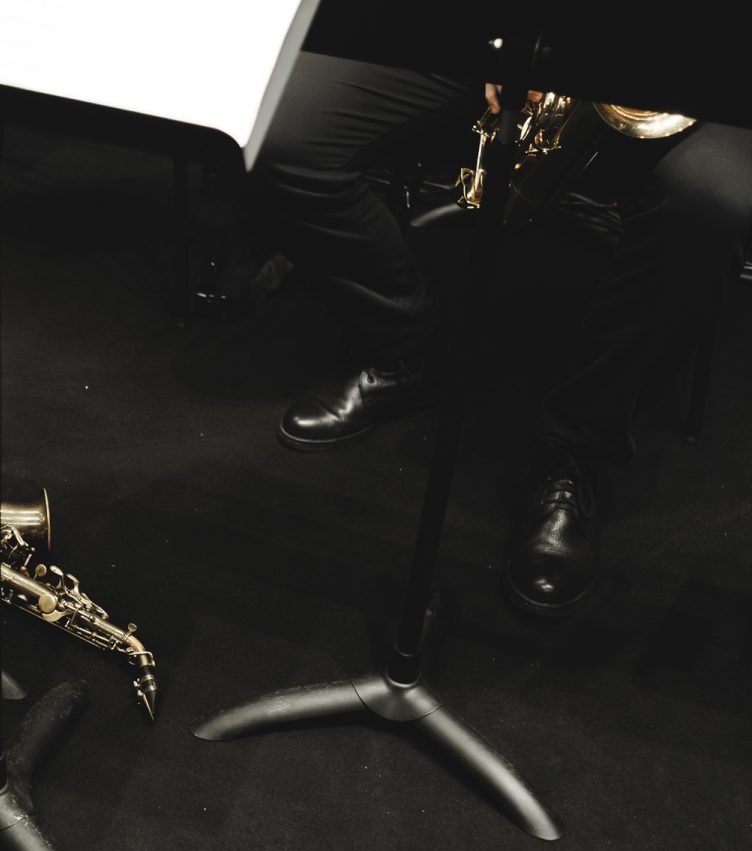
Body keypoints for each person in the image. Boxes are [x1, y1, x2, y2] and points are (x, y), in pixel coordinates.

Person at [249, 51, 752, 617]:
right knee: (280, 135)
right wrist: (507, 42)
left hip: (705, 87)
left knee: (712, 206)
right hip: (515, 49)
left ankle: (576, 450)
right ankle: (405, 347)